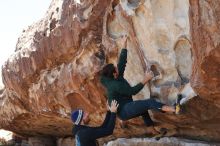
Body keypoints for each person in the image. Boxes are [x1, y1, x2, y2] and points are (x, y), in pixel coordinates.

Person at [100, 37, 178, 128]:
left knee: (143, 110)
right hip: (124, 111)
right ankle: (174, 109)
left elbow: (122, 62)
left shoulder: (115, 76)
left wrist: (124, 43)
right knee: (149, 103)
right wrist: (146, 78)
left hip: (126, 106)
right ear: (114, 74)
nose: (117, 68)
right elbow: (133, 91)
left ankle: (153, 129)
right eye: (116, 68)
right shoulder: (115, 85)